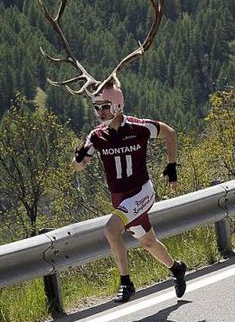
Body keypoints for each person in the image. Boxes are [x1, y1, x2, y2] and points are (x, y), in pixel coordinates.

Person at [73, 78, 186, 303]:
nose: (101, 112)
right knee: (148, 242)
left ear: (118, 105)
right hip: (120, 199)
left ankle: (126, 283)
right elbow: (78, 167)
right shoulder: (97, 136)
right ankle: (177, 269)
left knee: (111, 230)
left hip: (142, 192)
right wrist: (78, 158)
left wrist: (172, 166)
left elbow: (170, 133)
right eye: (97, 108)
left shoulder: (139, 127)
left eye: (105, 107)